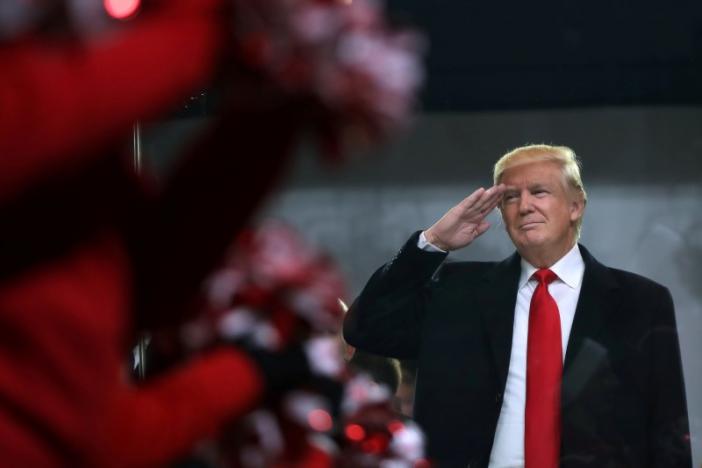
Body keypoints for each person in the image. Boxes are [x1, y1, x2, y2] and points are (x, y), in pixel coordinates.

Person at [343, 144, 692, 467]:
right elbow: (367, 327)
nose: (525, 206)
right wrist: (432, 243)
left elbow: (668, 428)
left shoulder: (641, 301)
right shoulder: (456, 292)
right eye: (510, 197)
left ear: (576, 205)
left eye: (539, 192)